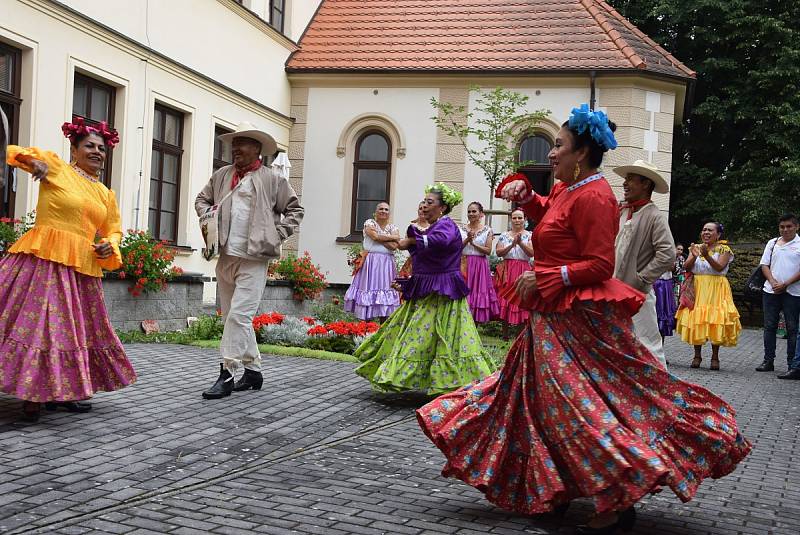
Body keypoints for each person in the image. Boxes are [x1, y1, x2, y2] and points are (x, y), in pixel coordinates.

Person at [417, 104, 751, 534]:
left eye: (559, 145)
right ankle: (551, 487)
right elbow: (556, 224)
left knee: (575, 408)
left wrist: (547, 278)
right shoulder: (567, 189)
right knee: (530, 401)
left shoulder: (596, 197)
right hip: (550, 319)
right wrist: (530, 200)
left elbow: (597, 264)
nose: (551, 153)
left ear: (583, 153)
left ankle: (617, 494)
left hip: (576, 321)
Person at [1, 118, 136, 422]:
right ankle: (32, 394)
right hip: (44, 261)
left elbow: (113, 230)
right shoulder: (57, 167)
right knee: (42, 327)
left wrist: (109, 246)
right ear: (74, 149)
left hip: (82, 270)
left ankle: (63, 391)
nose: (97, 151)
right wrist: (32, 162)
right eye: (89, 145)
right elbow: (12, 151)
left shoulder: (105, 194)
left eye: (101, 148)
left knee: (72, 333)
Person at [195, 122, 304, 399]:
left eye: (241, 142)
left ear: (256, 148)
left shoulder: (272, 179)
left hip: (255, 258)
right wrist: (208, 218)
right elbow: (201, 200)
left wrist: (276, 234)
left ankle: (227, 373)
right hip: (226, 256)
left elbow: (295, 210)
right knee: (234, 317)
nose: (235, 148)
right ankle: (253, 371)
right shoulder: (222, 175)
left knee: (239, 316)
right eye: (234, 143)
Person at [354, 183, 496, 394]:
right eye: (424, 202)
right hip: (428, 288)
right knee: (417, 332)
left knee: (436, 335)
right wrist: (402, 242)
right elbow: (413, 247)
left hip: (443, 292)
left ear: (442, 208)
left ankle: (446, 378)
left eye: (430, 203)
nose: (425, 206)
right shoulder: (433, 227)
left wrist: (412, 239)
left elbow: (440, 241)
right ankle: (415, 376)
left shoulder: (446, 226)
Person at [612, 160, 675, 369]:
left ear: (646, 184)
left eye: (631, 179)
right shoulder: (622, 211)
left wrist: (642, 279)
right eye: (626, 179)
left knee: (647, 344)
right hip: (613, 292)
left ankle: (662, 393)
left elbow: (667, 254)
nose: (625, 183)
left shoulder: (654, 216)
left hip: (637, 295)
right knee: (616, 343)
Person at [675, 222, 741, 370]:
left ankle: (715, 357)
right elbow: (686, 267)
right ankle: (697, 356)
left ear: (718, 234)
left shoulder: (724, 249)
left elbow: (719, 267)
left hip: (716, 286)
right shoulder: (696, 247)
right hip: (698, 286)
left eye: (710, 230)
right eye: (704, 230)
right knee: (697, 319)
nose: (706, 232)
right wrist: (693, 255)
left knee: (715, 319)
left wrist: (706, 256)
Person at [755, 213, 800, 378]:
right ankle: (768, 361)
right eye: (782, 227)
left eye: (789, 226)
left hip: (793, 292)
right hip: (770, 290)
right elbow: (764, 264)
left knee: (792, 328)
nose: (785, 229)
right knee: (769, 326)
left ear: (796, 227)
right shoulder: (772, 243)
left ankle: (792, 364)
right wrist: (773, 282)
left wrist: (786, 283)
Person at [344, 202, 401, 320]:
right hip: (371, 262)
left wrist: (379, 236)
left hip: (386, 264)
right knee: (368, 290)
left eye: (386, 209)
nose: (383, 211)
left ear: (389, 213)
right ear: (376, 212)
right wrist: (392, 237)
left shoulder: (393, 227)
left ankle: (383, 327)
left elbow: (394, 246)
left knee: (386, 292)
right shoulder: (369, 223)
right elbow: (374, 237)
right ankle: (366, 329)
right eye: (381, 209)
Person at [494, 209, 534, 338]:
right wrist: (512, 245)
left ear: (525, 219)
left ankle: (519, 335)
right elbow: (499, 252)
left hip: (523, 269)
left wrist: (520, 243)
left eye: (520, 218)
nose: (517, 220)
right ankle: (504, 334)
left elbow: (531, 253)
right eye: (514, 218)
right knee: (505, 297)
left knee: (521, 298)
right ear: (511, 219)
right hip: (508, 268)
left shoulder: (530, 235)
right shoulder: (504, 235)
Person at [461, 202, 499, 323]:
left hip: (479, 265)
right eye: (469, 211)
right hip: (463, 263)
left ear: (481, 214)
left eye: (474, 211)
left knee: (477, 293)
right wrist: (467, 239)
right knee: (463, 292)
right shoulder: (461, 229)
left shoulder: (487, 230)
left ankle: (474, 326)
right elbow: (456, 247)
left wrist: (473, 243)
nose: (471, 214)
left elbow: (488, 250)